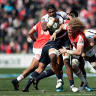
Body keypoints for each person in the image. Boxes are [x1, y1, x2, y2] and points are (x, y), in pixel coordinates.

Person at [22, 5, 79, 92]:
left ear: (55, 11)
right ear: (47, 12)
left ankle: (72, 86)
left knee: (66, 62)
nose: (51, 13)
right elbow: (44, 28)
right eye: (49, 12)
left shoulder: (62, 14)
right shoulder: (44, 18)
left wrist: (67, 20)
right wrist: (50, 23)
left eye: (53, 11)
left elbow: (70, 20)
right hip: (54, 41)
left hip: (64, 40)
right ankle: (59, 80)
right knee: (53, 61)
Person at [11, 21, 51, 90]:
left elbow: (30, 32)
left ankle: (18, 80)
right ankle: (26, 83)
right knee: (36, 67)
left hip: (38, 46)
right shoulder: (52, 24)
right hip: (42, 48)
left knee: (35, 68)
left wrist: (34, 39)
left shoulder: (40, 23)